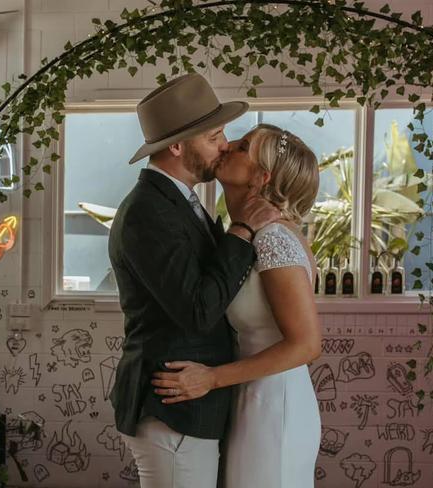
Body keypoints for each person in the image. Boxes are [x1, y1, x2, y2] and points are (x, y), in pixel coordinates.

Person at [108, 74, 281, 488]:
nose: (224, 145)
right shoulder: (148, 211)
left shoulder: (183, 203)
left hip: (192, 407)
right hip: (174, 406)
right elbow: (199, 310)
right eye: (215, 136)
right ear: (177, 146)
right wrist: (241, 230)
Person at [151, 123, 323, 488]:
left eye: (243, 147)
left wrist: (211, 378)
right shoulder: (247, 234)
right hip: (250, 396)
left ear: (261, 177)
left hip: (276, 407)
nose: (227, 146)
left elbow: (307, 344)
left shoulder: (274, 239)